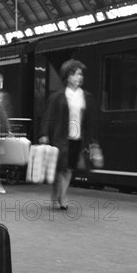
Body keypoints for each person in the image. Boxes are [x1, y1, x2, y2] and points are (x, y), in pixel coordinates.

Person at [39, 58, 97, 210]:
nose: (80, 77)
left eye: (81, 74)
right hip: (60, 137)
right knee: (60, 167)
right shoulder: (57, 96)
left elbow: (90, 121)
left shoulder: (87, 97)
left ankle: (61, 196)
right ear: (67, 77)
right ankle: (59, 195)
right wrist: (44, 134)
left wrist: (91, 140)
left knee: (69, 168)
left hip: (77, 137)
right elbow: (48, 116)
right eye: (76, 74)